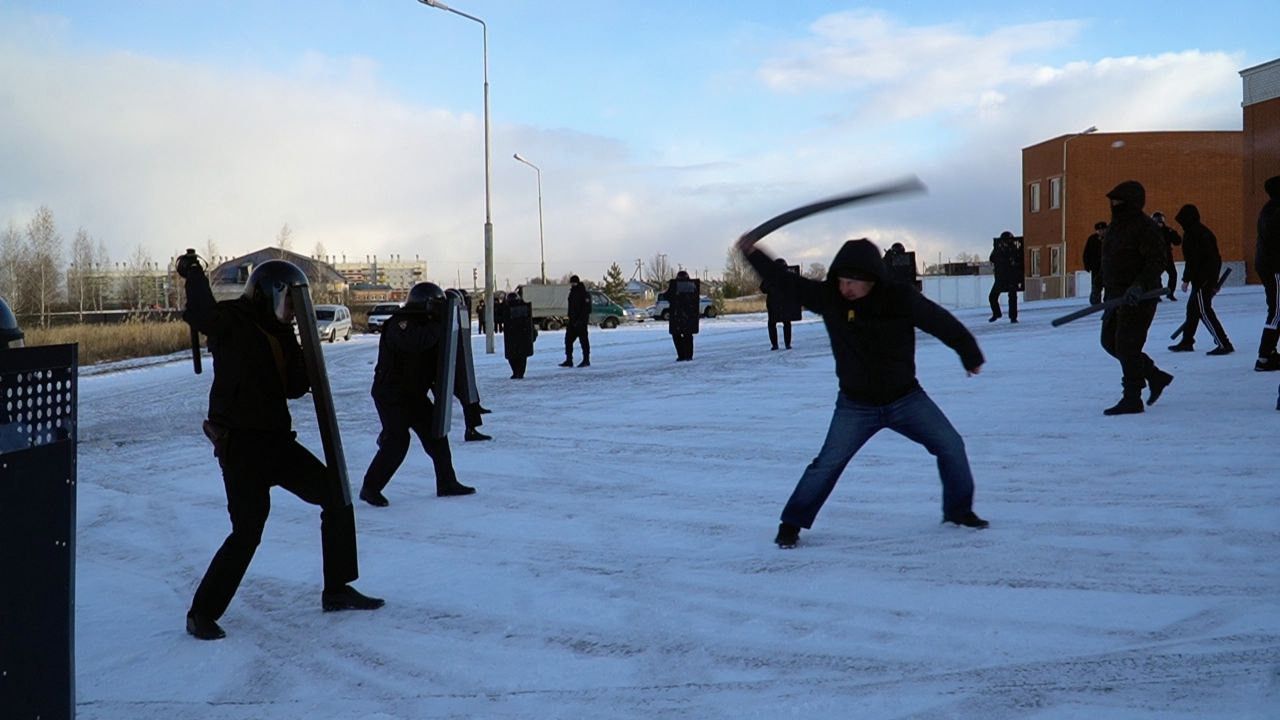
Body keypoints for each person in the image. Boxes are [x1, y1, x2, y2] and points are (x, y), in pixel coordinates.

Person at [736, 234, 988, 549]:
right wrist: (752, 253)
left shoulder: (898, 298)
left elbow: (940, 321)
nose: (845, 289)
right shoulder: (830, 298)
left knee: (951, 445)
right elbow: (783, 281)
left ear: (872, 280)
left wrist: (969, 353)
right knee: (826, 464)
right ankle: (791, 524)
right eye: (841, 281)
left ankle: (959, 512)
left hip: (906, 398)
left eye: (852, 283)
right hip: (855, 405)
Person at [179, 258, 382, 641]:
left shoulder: (284, 333)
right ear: (270, 293)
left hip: (276, 442)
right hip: (241, 446)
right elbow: (202, 313)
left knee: (334, 495)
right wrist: (193, 273)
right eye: (290, 302)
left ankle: (336, 589)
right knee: (247, 530)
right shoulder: (233, 320)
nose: (292, 311)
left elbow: (292, 386)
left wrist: (306, 357)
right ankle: (201, 612)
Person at [360, 282, 476, 507]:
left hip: (414, 394)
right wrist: (441, 324)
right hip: (391, 394)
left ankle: (447, 482)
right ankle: (370, 487)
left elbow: (439, 366)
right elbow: (415, 342)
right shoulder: (401, 323)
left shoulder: (430, 326)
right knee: (398, 441)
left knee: (437, 437)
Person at [1099, 181, 1173, 415]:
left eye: (1119, 201)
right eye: (1112, 201)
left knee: (1127, 345)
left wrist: (1139, 286)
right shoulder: (1114, 228)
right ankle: (1154, 375)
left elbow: (1156, 261)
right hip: (1115, 296)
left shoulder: (1146, 227)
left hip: (1140, 297)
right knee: (1109, 342)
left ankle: (1132, 398)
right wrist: (1097, 288)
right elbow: (1107, 262)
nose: (1115, 205)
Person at [1169, 204, 1233, 355]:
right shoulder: (1205, 232)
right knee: (1192, 309)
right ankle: (1186, 342)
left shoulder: (1193, 234)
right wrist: (1214, 281)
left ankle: (1223, 343)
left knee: (1204, 311)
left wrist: (1186, 279)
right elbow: (1217, 258)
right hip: (1207, 278)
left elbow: (1193, 260)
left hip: (1201, 279)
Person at [1254, 175, 1280, 373]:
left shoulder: (1269, 209)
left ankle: (1269, 354)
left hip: (1269, 266)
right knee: (1278, 311)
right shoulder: (1275, 212)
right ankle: (1264, 357)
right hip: (1275, 268)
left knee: (1277, 309)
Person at [762, 258, 796, 350]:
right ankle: (785, 344)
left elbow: (763, 288)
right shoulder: (788, 276)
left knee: (775, 323)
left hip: (776, 304)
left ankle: (777, 345)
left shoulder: (771, 276)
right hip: (778, 304)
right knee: (784, 323)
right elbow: (763, 288)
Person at [503, 291, 536, 379]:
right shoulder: (522, 308)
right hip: (518, 337)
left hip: (515, 337)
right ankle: (518, 373)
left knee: (516, 357)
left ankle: (517, 373)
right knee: (519, 357)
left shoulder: (518, 308)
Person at [988, 231, 1019, 323]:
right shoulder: (998, 249)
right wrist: (996, 249)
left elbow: (1017, 261)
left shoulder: (1014, 249)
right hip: (1001, 277)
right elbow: (992, 258)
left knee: (1012, 297)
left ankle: (1013, 317)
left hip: (1011, 277)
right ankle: (997, 313)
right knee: (992, 297)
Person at [561, 275, 591, 368]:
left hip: (581, 322)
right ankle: (569, 360)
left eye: (573, 282)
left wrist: (581, 320)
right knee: (568, 340)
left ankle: (586, 360)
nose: (572, 284)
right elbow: (571, 308)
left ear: (577, 282)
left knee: (584, 341)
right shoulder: (572, 293)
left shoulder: (584, 294)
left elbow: (587, 309)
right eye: (571, 283)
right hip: (572, 321)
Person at [668, 270, 698, 361]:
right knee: (687, 336)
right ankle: (688, 356)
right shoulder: (692, 285)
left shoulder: (675, 286)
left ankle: (682, 355)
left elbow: (667, 296)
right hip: (688, 316)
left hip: (678, 316)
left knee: (678, 335)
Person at [1152, 211, 1181, 301]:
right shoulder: (1150, 231)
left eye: (1160, 220)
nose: (1159, 222)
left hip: (1167, 256)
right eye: (1157, 220)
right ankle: (1158, 293)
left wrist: (1173, 234)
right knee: (1155, 276)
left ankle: (1170, 293)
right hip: (1155, 257)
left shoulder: (1168, 231)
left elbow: (1178, 241)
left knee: (1173, 274)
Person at [1084, 221, 1107, 305]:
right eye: (1099, 230)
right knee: (1096, 285)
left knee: (1109, 285)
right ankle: (1095, 302)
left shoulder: (1110, 238)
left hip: (1108, 267)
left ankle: (1108, 301)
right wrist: (1087, 266)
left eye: (1103, 230)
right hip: (1096, 268)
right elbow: (1086, 253)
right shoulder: (1092, 239)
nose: (1101, 232)